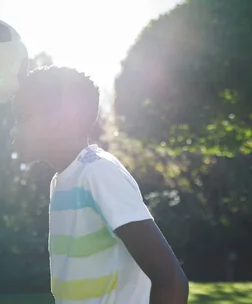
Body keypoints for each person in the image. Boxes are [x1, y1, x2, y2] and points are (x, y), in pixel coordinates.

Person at [11, 66, 189, 304]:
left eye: (22, 116)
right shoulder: (61, 180)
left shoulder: (98, 172)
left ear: (63, 119)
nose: (13, 129)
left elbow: (170, 280)